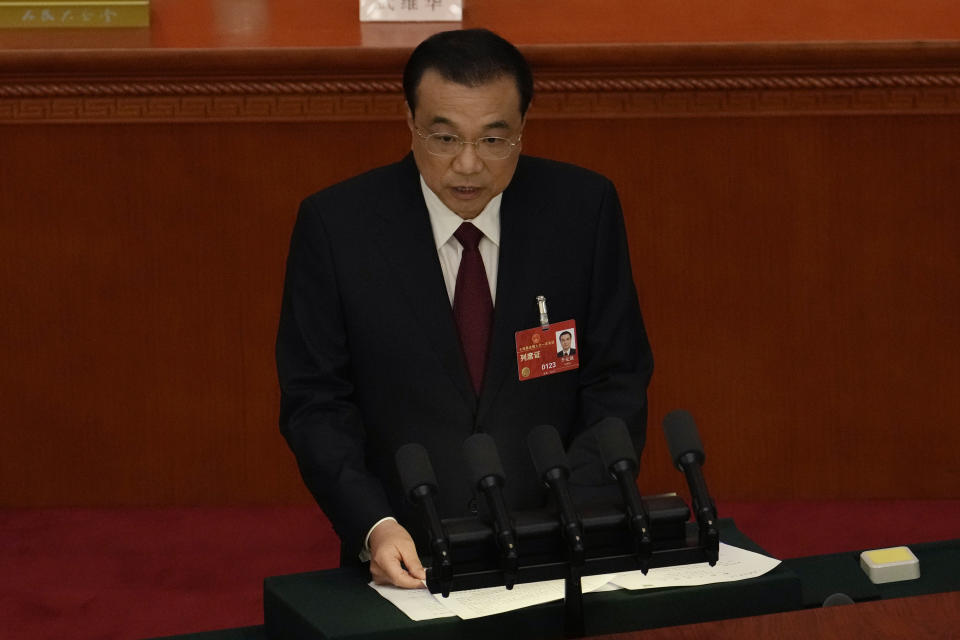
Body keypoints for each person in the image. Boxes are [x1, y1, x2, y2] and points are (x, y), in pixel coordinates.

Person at [276, 28, 653, 589]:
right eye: (445, 139)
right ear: (410, 121)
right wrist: (373, 525)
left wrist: (578, 510)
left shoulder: (582, 209)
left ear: (523, 126)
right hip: (406, 557)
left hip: (559, 550)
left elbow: (616, 376)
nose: (469, 166)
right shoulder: (338, 228)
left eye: (495, 140)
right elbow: (316, 402)